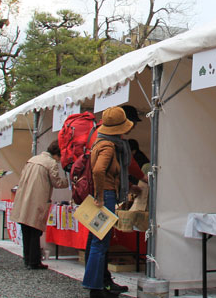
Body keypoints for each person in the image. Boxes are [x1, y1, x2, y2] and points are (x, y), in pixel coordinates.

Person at [83, 106, 135, 298]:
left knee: (95, 241)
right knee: (100, 242)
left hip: (103, 195)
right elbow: (98, 170)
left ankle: (95, 284)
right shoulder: (109, 145)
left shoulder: (100, 142)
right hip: (106, 196)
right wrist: (100, 195)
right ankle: (96, 288)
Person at [12, 140, 70, 269]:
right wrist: (70, 182)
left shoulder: (33, 159)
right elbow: (57, 183)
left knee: (26, 229)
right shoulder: (51, 163)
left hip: (23, 198)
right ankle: (34, 261)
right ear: (58, 154)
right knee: (35, 230)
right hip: (36, 199)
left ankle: (27, 259)